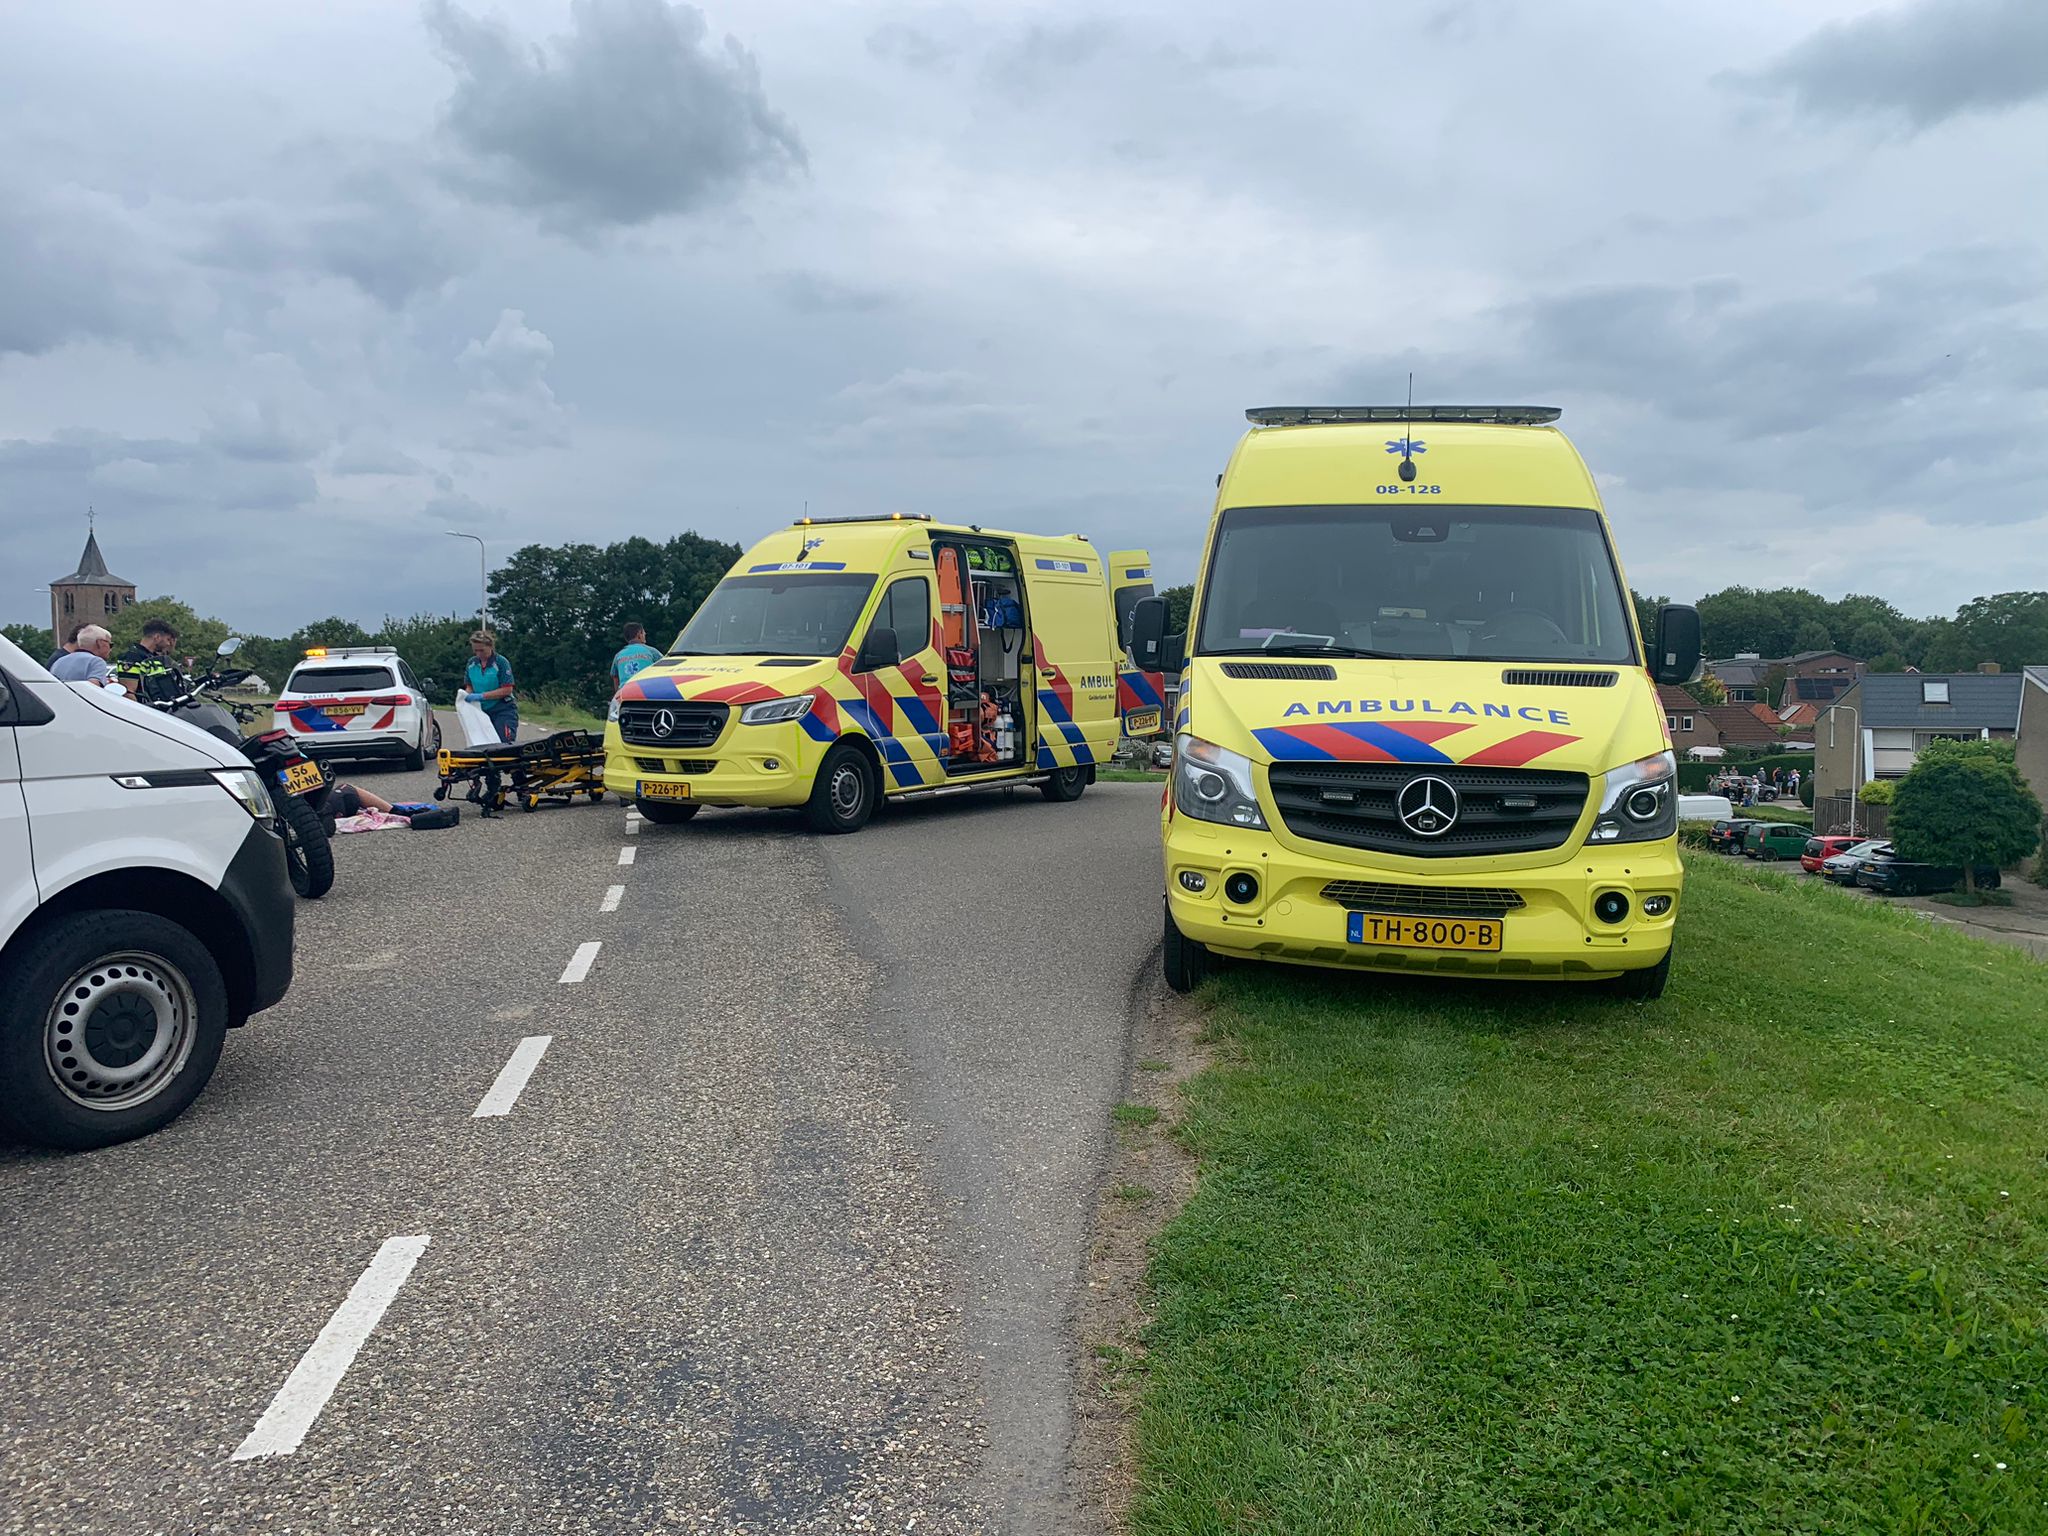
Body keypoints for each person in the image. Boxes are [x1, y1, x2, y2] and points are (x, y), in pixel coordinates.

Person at [463, 630, 519, 743]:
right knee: (482, 743)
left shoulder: (501, 663)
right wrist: (467, 695)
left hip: (502, 709)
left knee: (503, 742)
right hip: (481, 710)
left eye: (482, 650)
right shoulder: (471, 663)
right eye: (476, 650)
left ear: (490, 647)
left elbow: (507, 689)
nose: (479, 654)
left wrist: (482, 696)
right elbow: (469, 685)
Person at [116, 618, 184, 704]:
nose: (168, 644)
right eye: (168, 640)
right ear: (157, 637)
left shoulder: (154, 657)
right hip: (145, 711)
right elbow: (128, 692)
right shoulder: (131, 657)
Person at [49, 625, 123, 689]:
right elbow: (93, 690)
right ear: (100, 643)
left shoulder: (59, 661)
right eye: (110, 644)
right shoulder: (96, 662)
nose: (111, 649)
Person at [610, 622, 661, 690]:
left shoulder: (618, 655)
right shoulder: (651, 651)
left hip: (625, 693)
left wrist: (618, 694)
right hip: (647, 691)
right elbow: (666, 666)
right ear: (639, 634)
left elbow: (615, 677)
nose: (645, 634)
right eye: (643, 633)